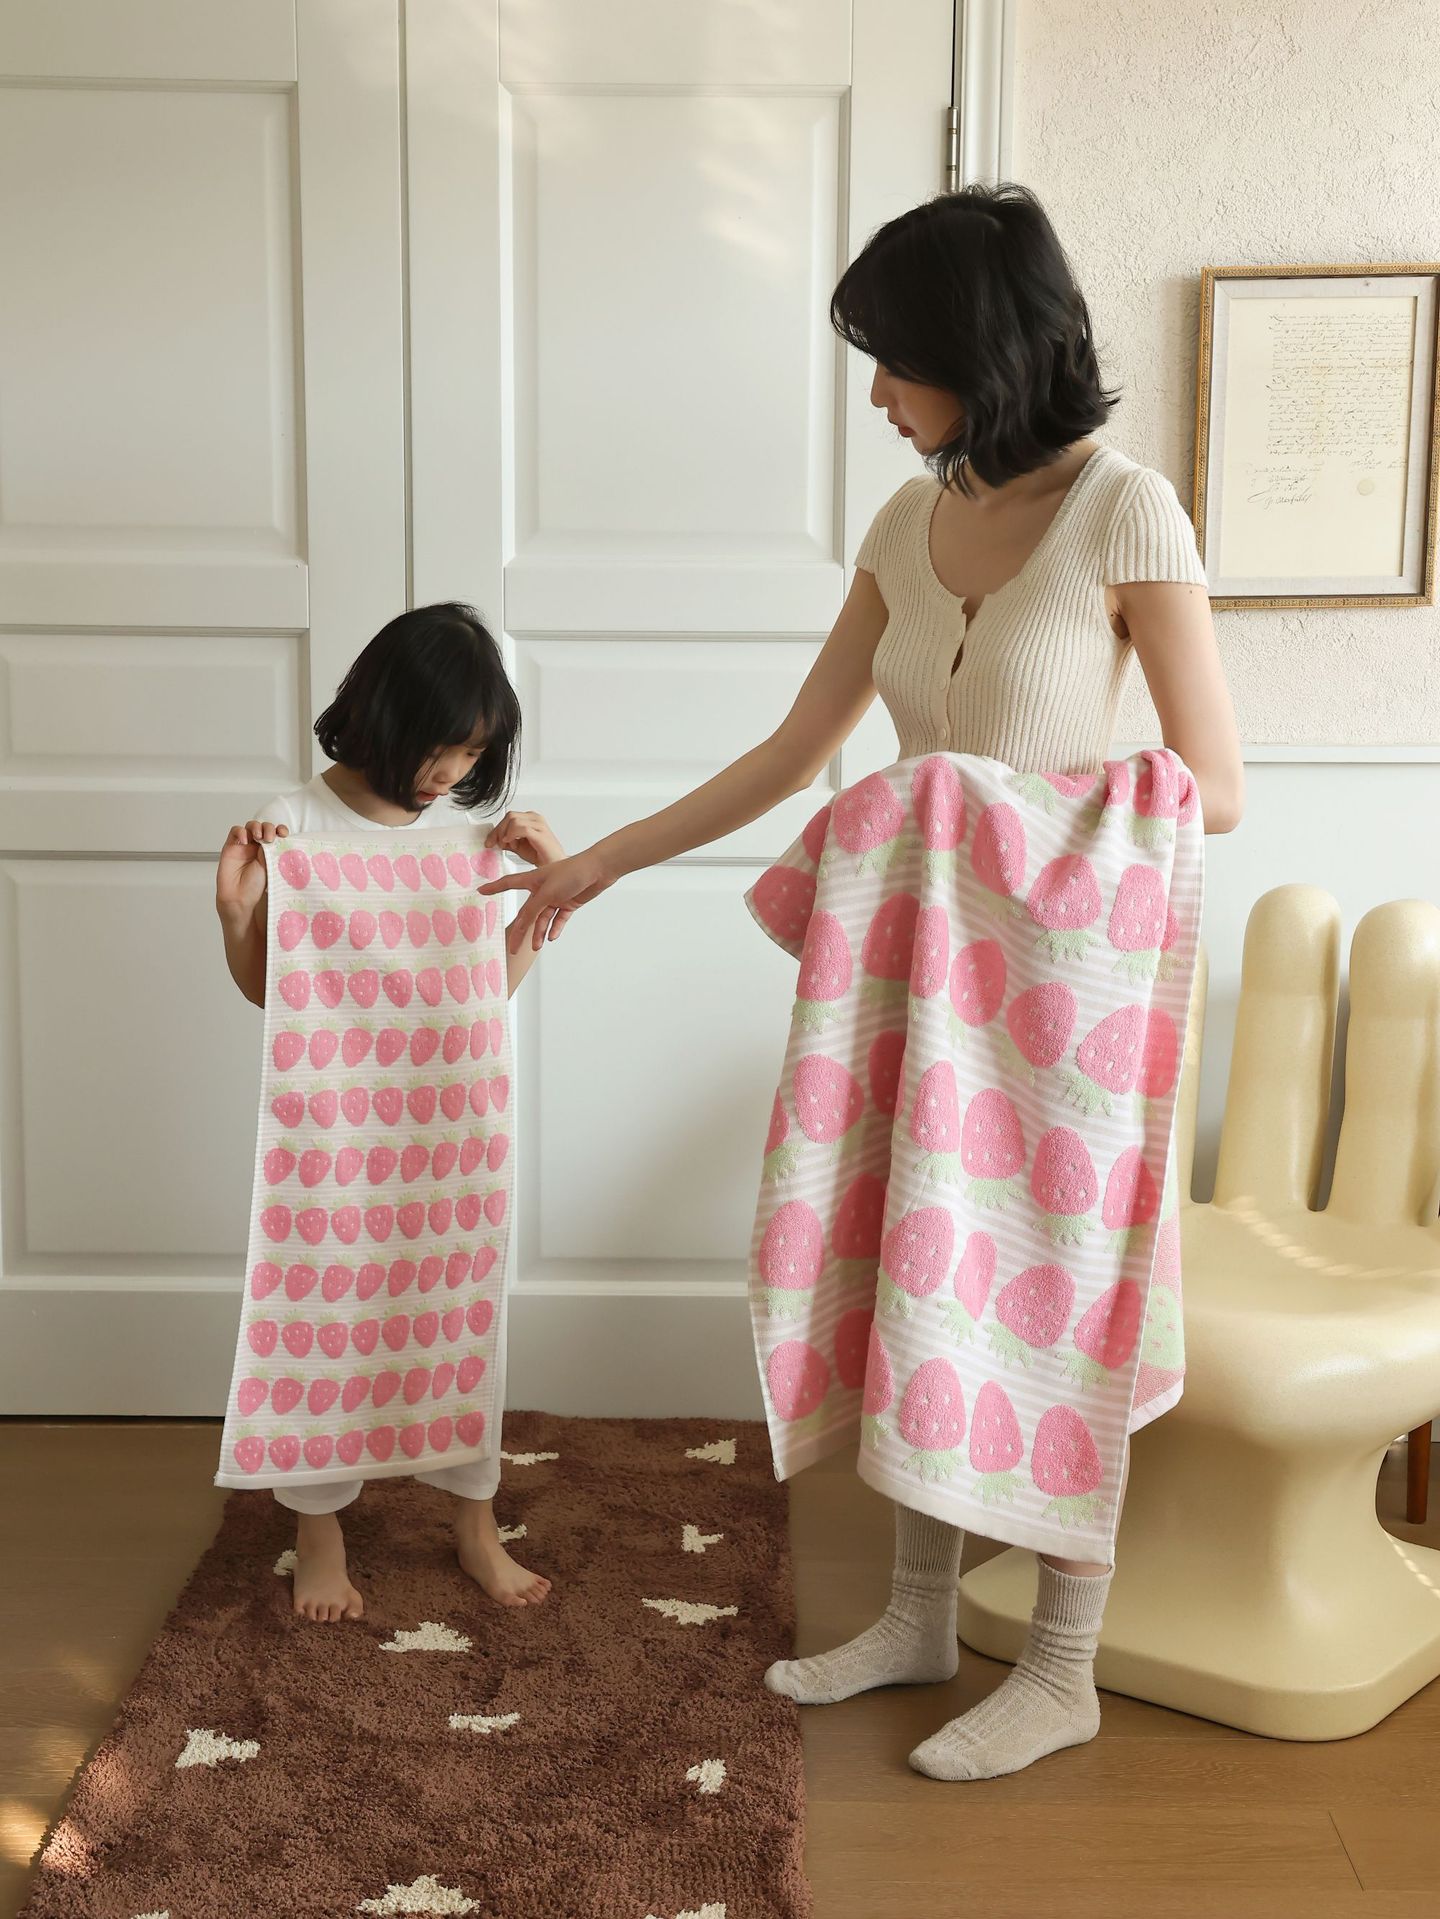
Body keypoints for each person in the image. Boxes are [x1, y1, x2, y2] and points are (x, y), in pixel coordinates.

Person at [480, 185, 1243, 1778]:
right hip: (922, 988)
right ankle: (916, 1615)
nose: (879, 392)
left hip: (1066, 1009)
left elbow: (1212, 787)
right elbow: (795, 752)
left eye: (895, 357)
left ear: (982, 345)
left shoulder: (1129, 512)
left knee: (1061, 1309)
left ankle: (1064, 1665)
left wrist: (963, 796)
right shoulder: (908, 524)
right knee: (920, 1280)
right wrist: (600, 861)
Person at [215, 602, 562, 1623]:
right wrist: (239, 914)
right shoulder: (296, 824)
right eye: (438, 746)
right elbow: (274, 995)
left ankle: (474, 1521)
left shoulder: (467, 840)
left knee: (460, 1308)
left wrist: (543, 894)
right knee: (323, 1309)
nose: (449, 772)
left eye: (472, 754)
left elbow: (482, 995)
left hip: (447, 1126)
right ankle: (318, 1528)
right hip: (331, 1131)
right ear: (382, 713)